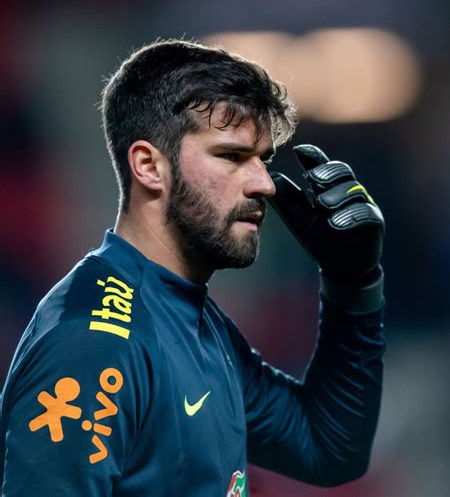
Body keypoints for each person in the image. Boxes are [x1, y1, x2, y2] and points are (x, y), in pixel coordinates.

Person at [0, 39, 386, 496]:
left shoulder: (189, 318)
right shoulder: (96, 342)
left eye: (263, 159)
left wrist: (353, 284)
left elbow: (327, 448)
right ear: (148, 166)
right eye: (232, 156)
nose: (263, 183)